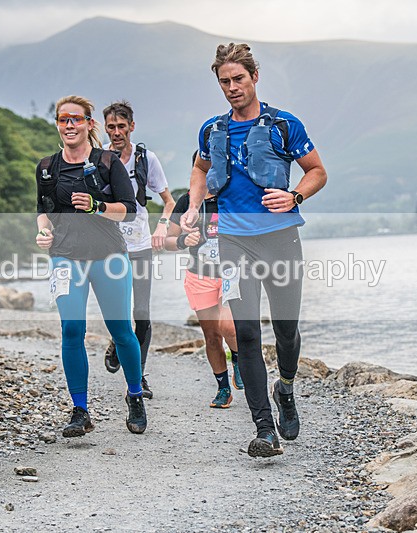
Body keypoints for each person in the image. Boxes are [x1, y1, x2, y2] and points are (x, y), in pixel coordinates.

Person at [181, 43, 328, 458]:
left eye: (238, 79)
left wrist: (295, 196)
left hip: (280, 239)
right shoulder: (212, 130)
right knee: (246, 332)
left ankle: (286, 387)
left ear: (254, 77)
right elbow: (201, 168)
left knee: (286, 330)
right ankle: (264, 429)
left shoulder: (284, 124)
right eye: (224, 81)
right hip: (232, 242)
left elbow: (317, 171)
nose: (232, 87)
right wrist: (193, 205)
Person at [35, 95, 147, 437]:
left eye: (76, 119)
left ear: (89, 124)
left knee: (121, 330)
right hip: (65, 256)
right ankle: (80, 410)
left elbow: (129, 211)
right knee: (72, 330)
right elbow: (43, 210)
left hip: (108, 257)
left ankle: (135, 395)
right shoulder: (47, 167)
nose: (69, 125)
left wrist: (97, 206)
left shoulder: (107, 162)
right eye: (63, 119)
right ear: (58, 124)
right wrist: (43, 231)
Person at [101, 101, 175, 400]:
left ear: (132, 126)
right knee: (117, 311)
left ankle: (139, 376)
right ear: (105, 129)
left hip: (141, 244)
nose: (117, 132)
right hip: (109, 246)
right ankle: (117, 341)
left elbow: (169, 201)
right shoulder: (99, 158)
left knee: (142, 313)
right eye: (111, 127)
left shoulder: (147, 159)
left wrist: (162, 227)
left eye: (122, 126)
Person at [165, 180, 243, 409]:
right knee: (212, 336)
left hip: (230, 273)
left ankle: (238, 359)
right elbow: (168, 242)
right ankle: (223, 389)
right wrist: (183, 240)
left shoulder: (230, 195)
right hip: (199, 276)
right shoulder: (186, 201)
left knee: (228, 327)